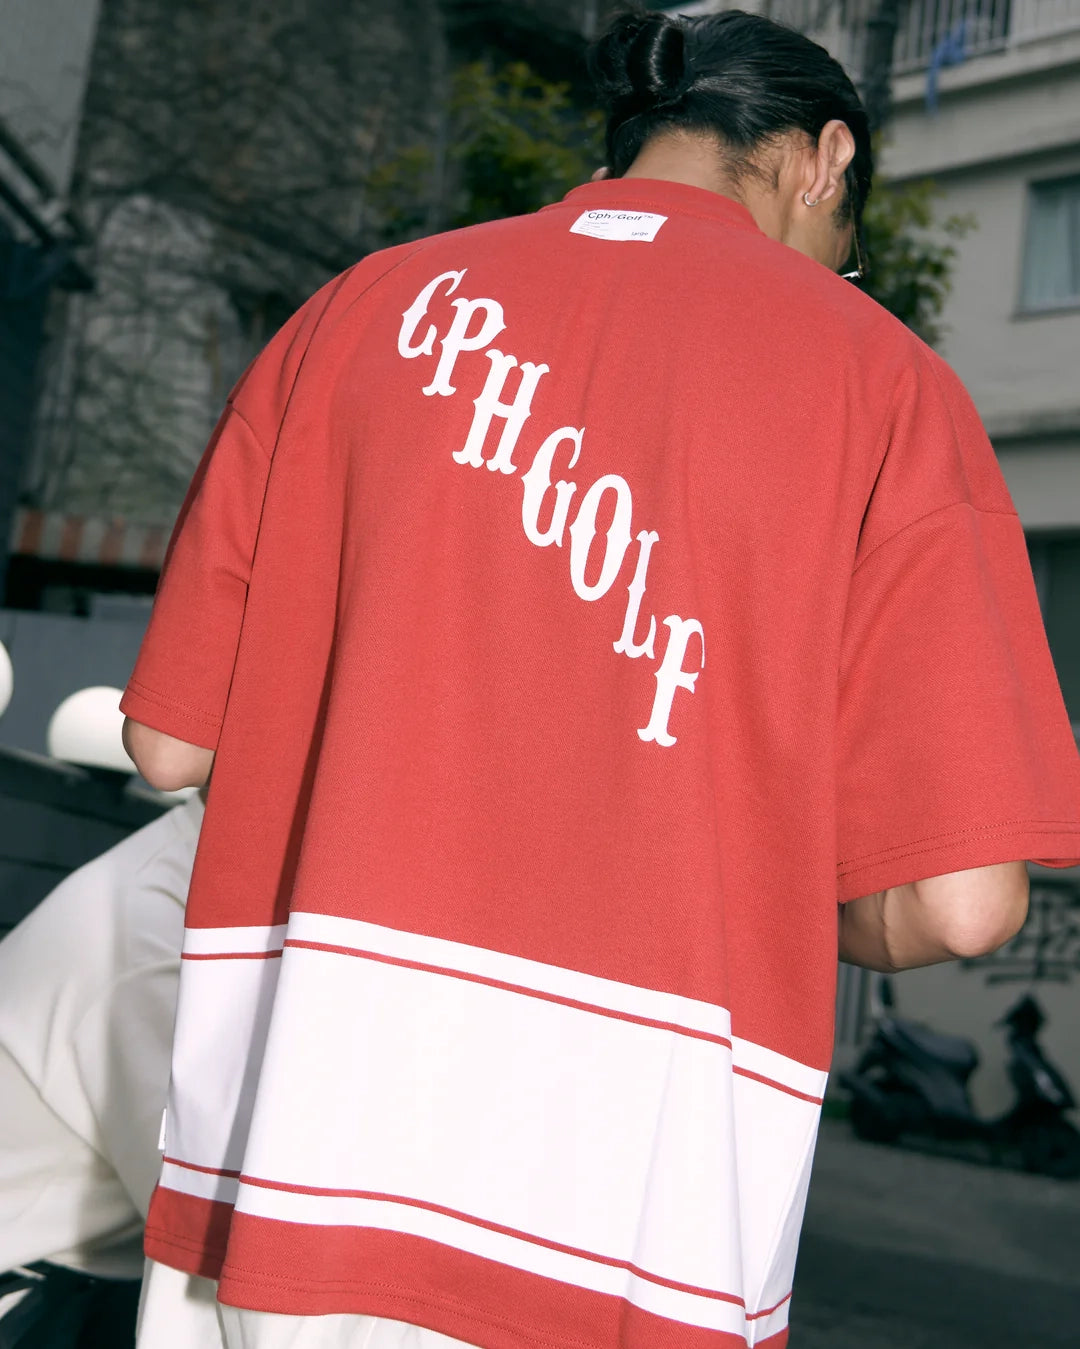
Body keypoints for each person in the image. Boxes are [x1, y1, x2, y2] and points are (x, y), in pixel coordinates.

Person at [120, 8, 1080, 1349]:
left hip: (292, 1146)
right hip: (635, 1199)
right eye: (847, 235)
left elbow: (172, 746)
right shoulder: (889, 387)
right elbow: (966, 905)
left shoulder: (355, 312)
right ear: (824, 160)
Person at [0, 790, 203, 1347]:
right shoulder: (150, 931)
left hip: (89, 1285)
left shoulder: (189, 877)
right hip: (35, 1299)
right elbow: (207, 1246)